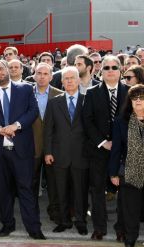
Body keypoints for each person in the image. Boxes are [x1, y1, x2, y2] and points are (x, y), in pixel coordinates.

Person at [0, 60, 44, 240]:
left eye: (1, 69)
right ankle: (7, 225)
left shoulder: (26, 89)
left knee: (26, 190)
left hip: (21, 150)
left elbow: (33, 111)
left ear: (7, 70)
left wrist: (16, 125)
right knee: (3, 191)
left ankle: (34, 228)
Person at [83, 55, 130, 241]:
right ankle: (100, 228)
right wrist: (103, 142)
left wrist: (119, 144)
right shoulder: (92, 93)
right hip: (99, 150)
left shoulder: (130, 92)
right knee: (97, 191)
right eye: (106, 67)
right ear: (100, 71)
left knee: (124, 193)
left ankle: (122, 228)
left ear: (121, 71)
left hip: (124, 152)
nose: (110, 70)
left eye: (114, 67)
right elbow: (87, 121)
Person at [43, 66, 89, 235]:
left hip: (81, 155)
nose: (69, 81)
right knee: (60, 190)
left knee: (80, 191)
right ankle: (64, 221)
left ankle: (81, 220)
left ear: (78, 80)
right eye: (66, 78)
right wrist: (47, 152)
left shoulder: (87, 100)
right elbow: (48, 130)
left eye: (72, 78)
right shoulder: (54, 102)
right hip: (59, 154)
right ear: (61, 82)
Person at [108, 84, 144, 247]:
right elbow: (116, 149)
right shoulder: (121, 121)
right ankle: (131, 238)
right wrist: (113, 173)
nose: (138, 102)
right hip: (129, 172)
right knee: (130, 210)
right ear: (129, 101)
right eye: (134, 98)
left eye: (142, 98)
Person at [31, 63, 63, 224]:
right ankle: (31, 214)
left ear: (51, 76)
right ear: (34, 74)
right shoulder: (25, 93)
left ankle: (55, 212)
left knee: (54, 183)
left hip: (53, 147)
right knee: (31, 183)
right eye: (39, 73)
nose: (42, 76)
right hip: (32, 146)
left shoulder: (60, 94)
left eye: (46, 73)